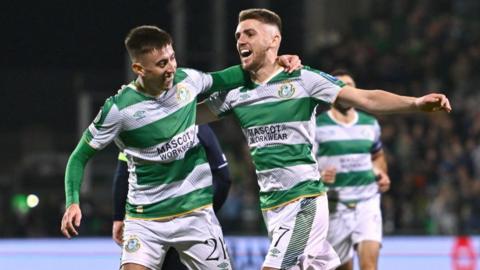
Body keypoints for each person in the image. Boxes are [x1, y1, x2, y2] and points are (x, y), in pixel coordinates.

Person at [200, 8, 451, 270]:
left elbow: (367, 98)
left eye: (250, 33)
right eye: (238, 35)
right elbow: (185, 117)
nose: (241, 40)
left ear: (274, 40)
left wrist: (415, 103)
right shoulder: (236, 94)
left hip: (304, 201)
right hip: (272, 206)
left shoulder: (303, 79)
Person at [59, 25, 301, 270]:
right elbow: (79, 157)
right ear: (139, 69)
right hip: (145, 220)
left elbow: (230, 77)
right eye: (162, 63)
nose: (172, 68)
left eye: (172, 58)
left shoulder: (188, 81)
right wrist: (72, 202)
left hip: (195, 215)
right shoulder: (119, 110)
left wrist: (275, 62)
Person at [112, 124, 232, 270]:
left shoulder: (137, 127)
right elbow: (223, 177)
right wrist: (205, 210)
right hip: (189, 221)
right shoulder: (195, 123)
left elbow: (124, 173)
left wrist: (119, 216)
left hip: (147, 223)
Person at [315, 69, 390, 270]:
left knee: (369, 265)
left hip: (367, 202)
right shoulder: (316, 125)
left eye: (350, 85)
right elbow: (306, 165)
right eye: (341, 85)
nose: (347, 89)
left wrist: (381, 173)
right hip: (334, 207)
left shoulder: (370, 124)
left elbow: (377, 156)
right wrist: (319, 176)